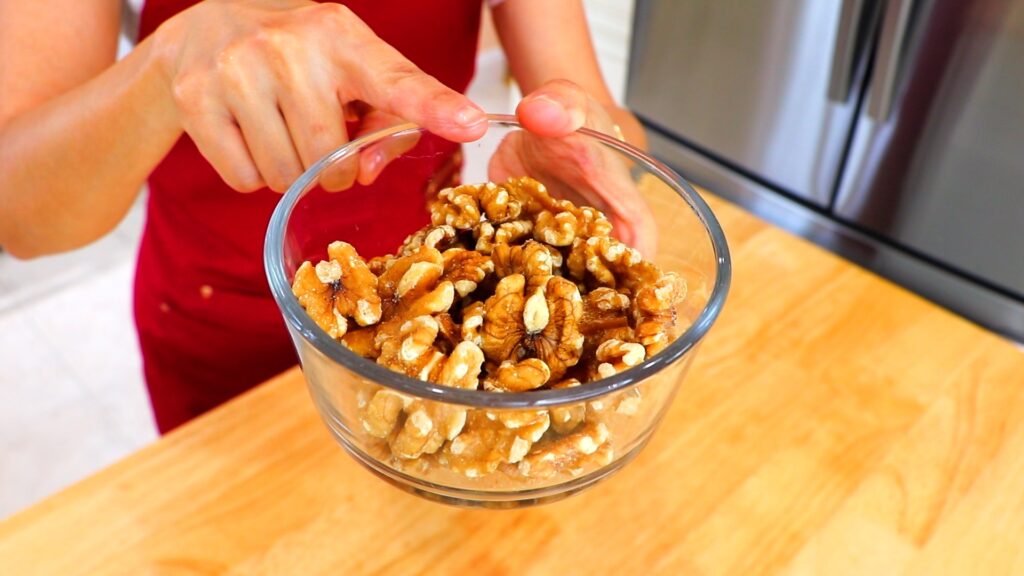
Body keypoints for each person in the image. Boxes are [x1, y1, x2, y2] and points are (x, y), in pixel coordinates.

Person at [0, 0, 654, 433]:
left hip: (444, 333)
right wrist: (168, 61)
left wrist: (588, 148)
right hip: (221, 330)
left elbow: (601, 119)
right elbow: (21, 214)